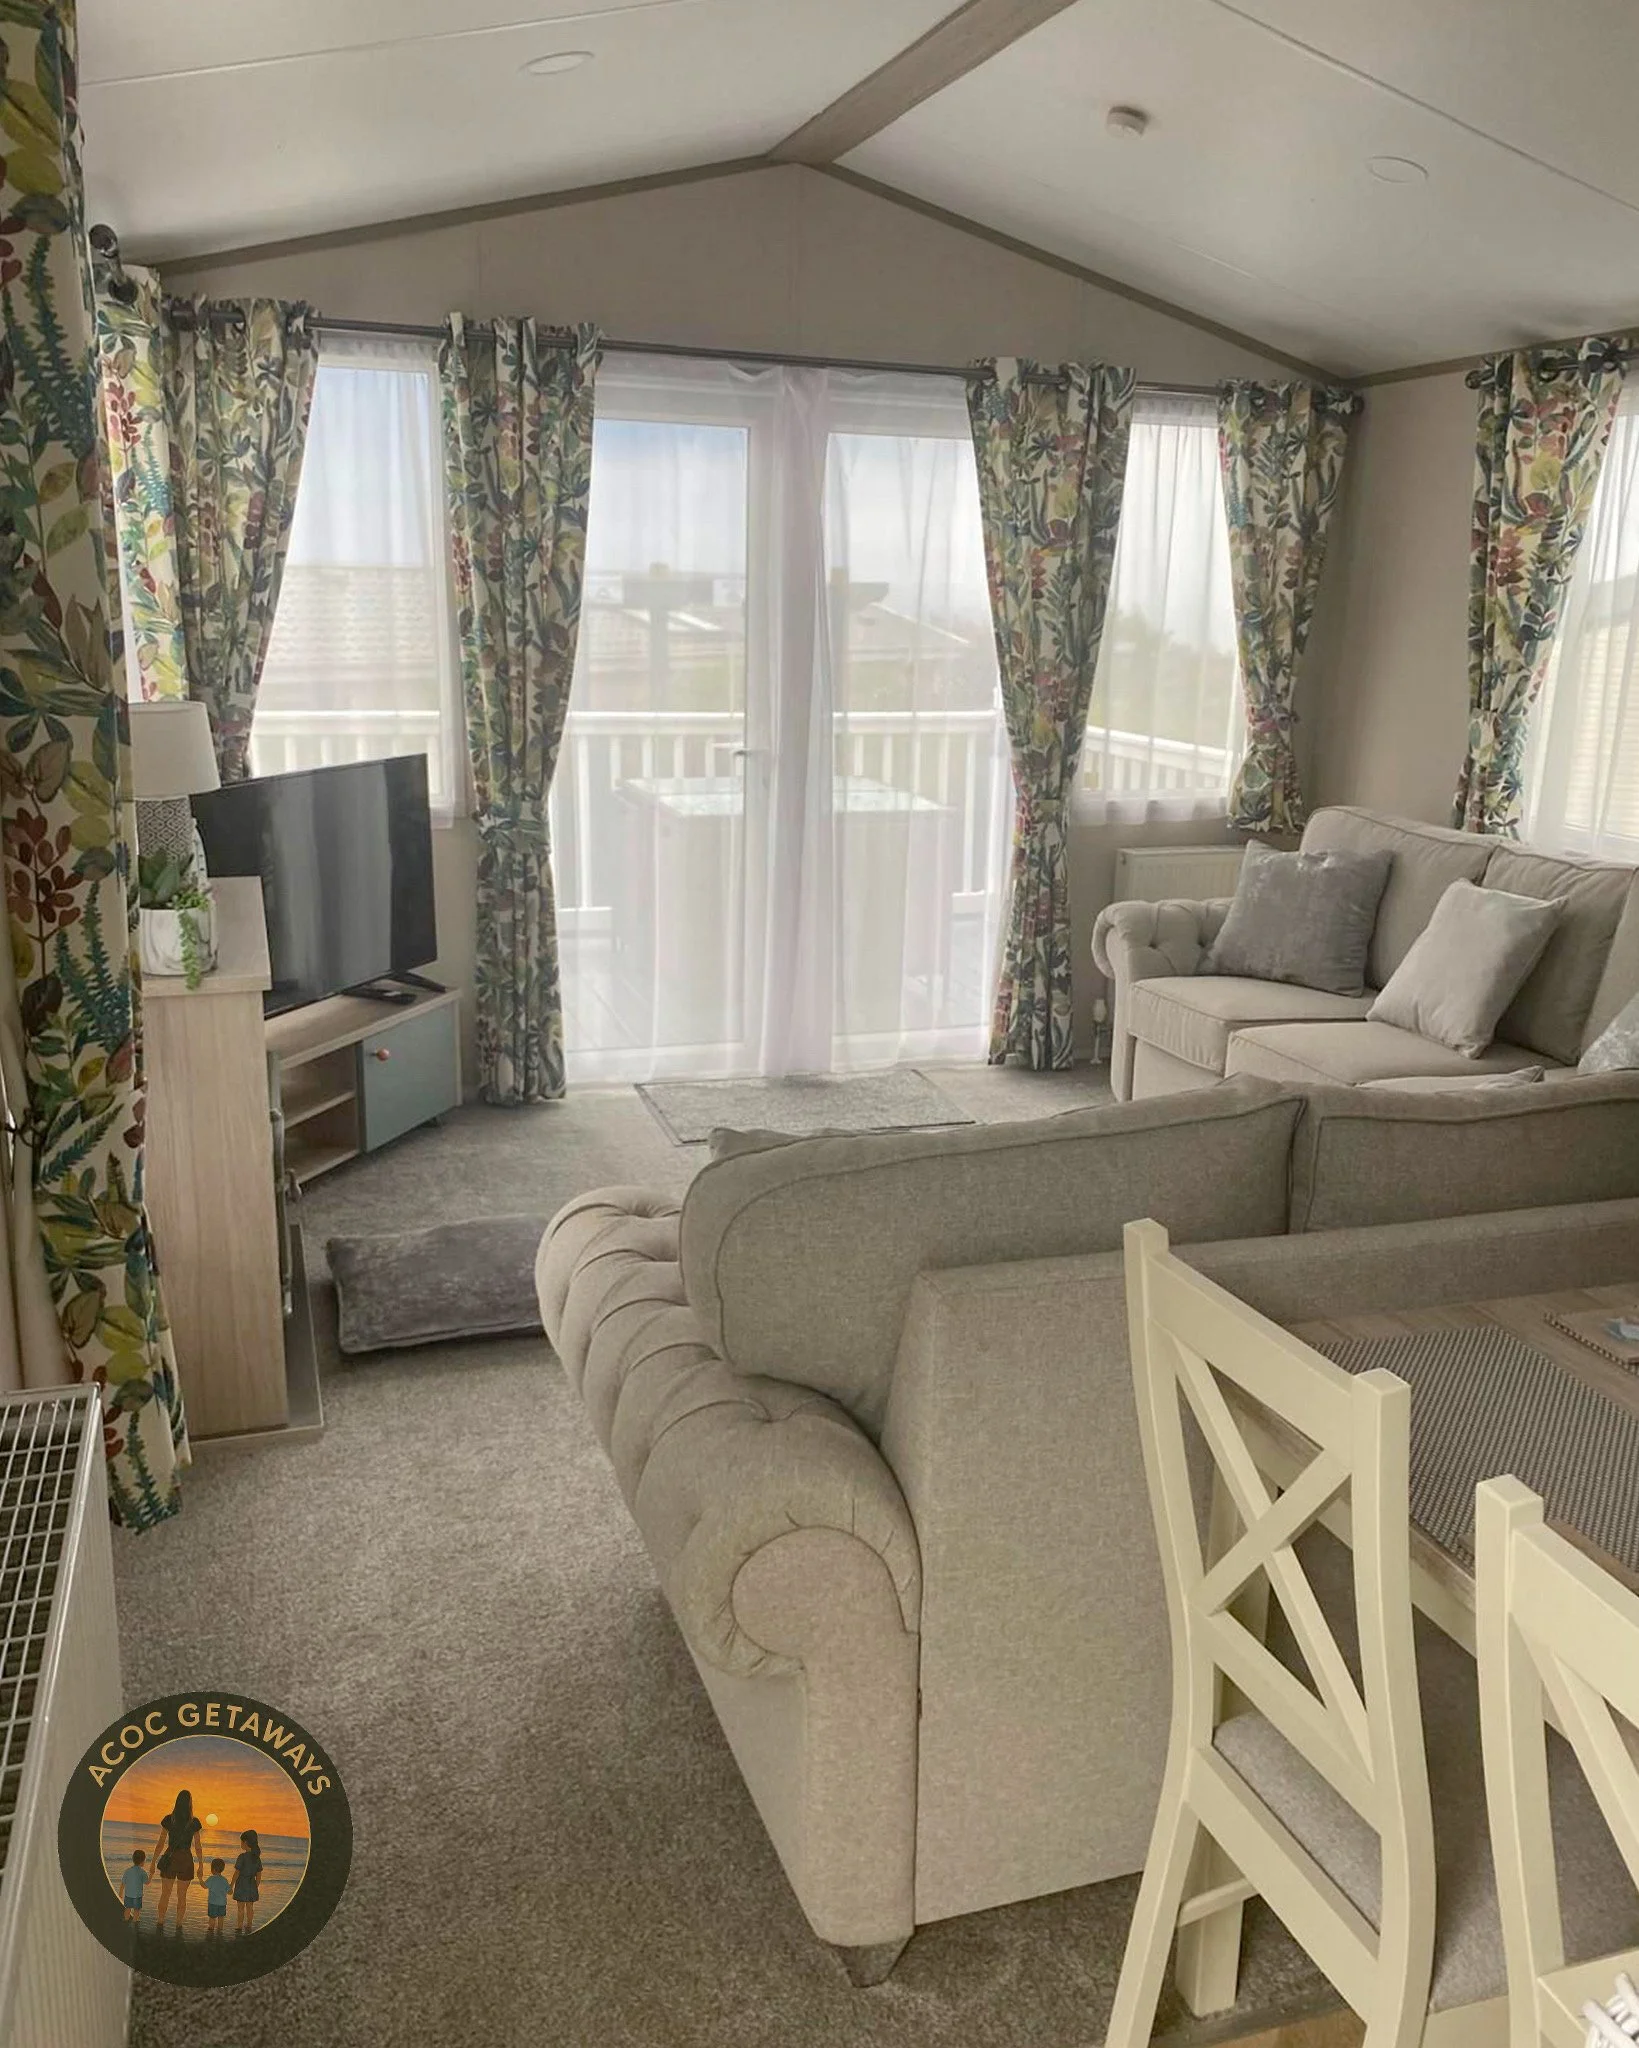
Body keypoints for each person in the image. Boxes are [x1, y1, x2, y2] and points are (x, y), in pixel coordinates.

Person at [151, 1789, 203, 1935]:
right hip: (186, 1860)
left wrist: (153, 1861)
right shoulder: (194, 1822)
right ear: (189, 1803)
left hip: (170, 1858)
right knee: (182, 1896)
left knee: (165, 1894)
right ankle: (178, 1926)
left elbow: (160, 1843)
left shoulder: (169, 1819)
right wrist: (201, 1865)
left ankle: (160, 1922)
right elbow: (198, 1846)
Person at [232, 1829, 263, 1935]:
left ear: (245, 1842)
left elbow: (237, 1873)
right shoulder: (257, 1858)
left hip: (241, 1884)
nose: (241, 1844)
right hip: (251, 1884)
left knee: (240, 1907)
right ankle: (249, 1925)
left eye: (241, 1842)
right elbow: (259, 1874)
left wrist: (231, 1885)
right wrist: (256, 1885)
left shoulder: (242, 1857)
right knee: (250, 1907)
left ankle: (239, 1926)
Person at [202, 1858, 231, 1940]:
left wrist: (200, 1879)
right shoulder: (224, 1880)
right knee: (221, 1918)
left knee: (212, 1918)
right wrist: (230, 1887)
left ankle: (211, 1931)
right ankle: (220, 1932)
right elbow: (230, 1892)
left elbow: (204, 1886)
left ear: (213, 1869)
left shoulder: (211, 1879)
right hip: (222, 1903)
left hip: (213, 1903)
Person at [121, 1848, 148, 1924]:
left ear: (133, 1859)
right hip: (137, 1895)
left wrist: (120, 1893)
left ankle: (126, 1919)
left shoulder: (128, 1871)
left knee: (128, 1908)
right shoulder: (143, 1872)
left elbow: (123, 1882)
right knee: (136, 1909)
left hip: (128, 1894)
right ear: (143, 1861)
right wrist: (151, 1874)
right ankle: (135, 1920)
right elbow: (147, 1882)